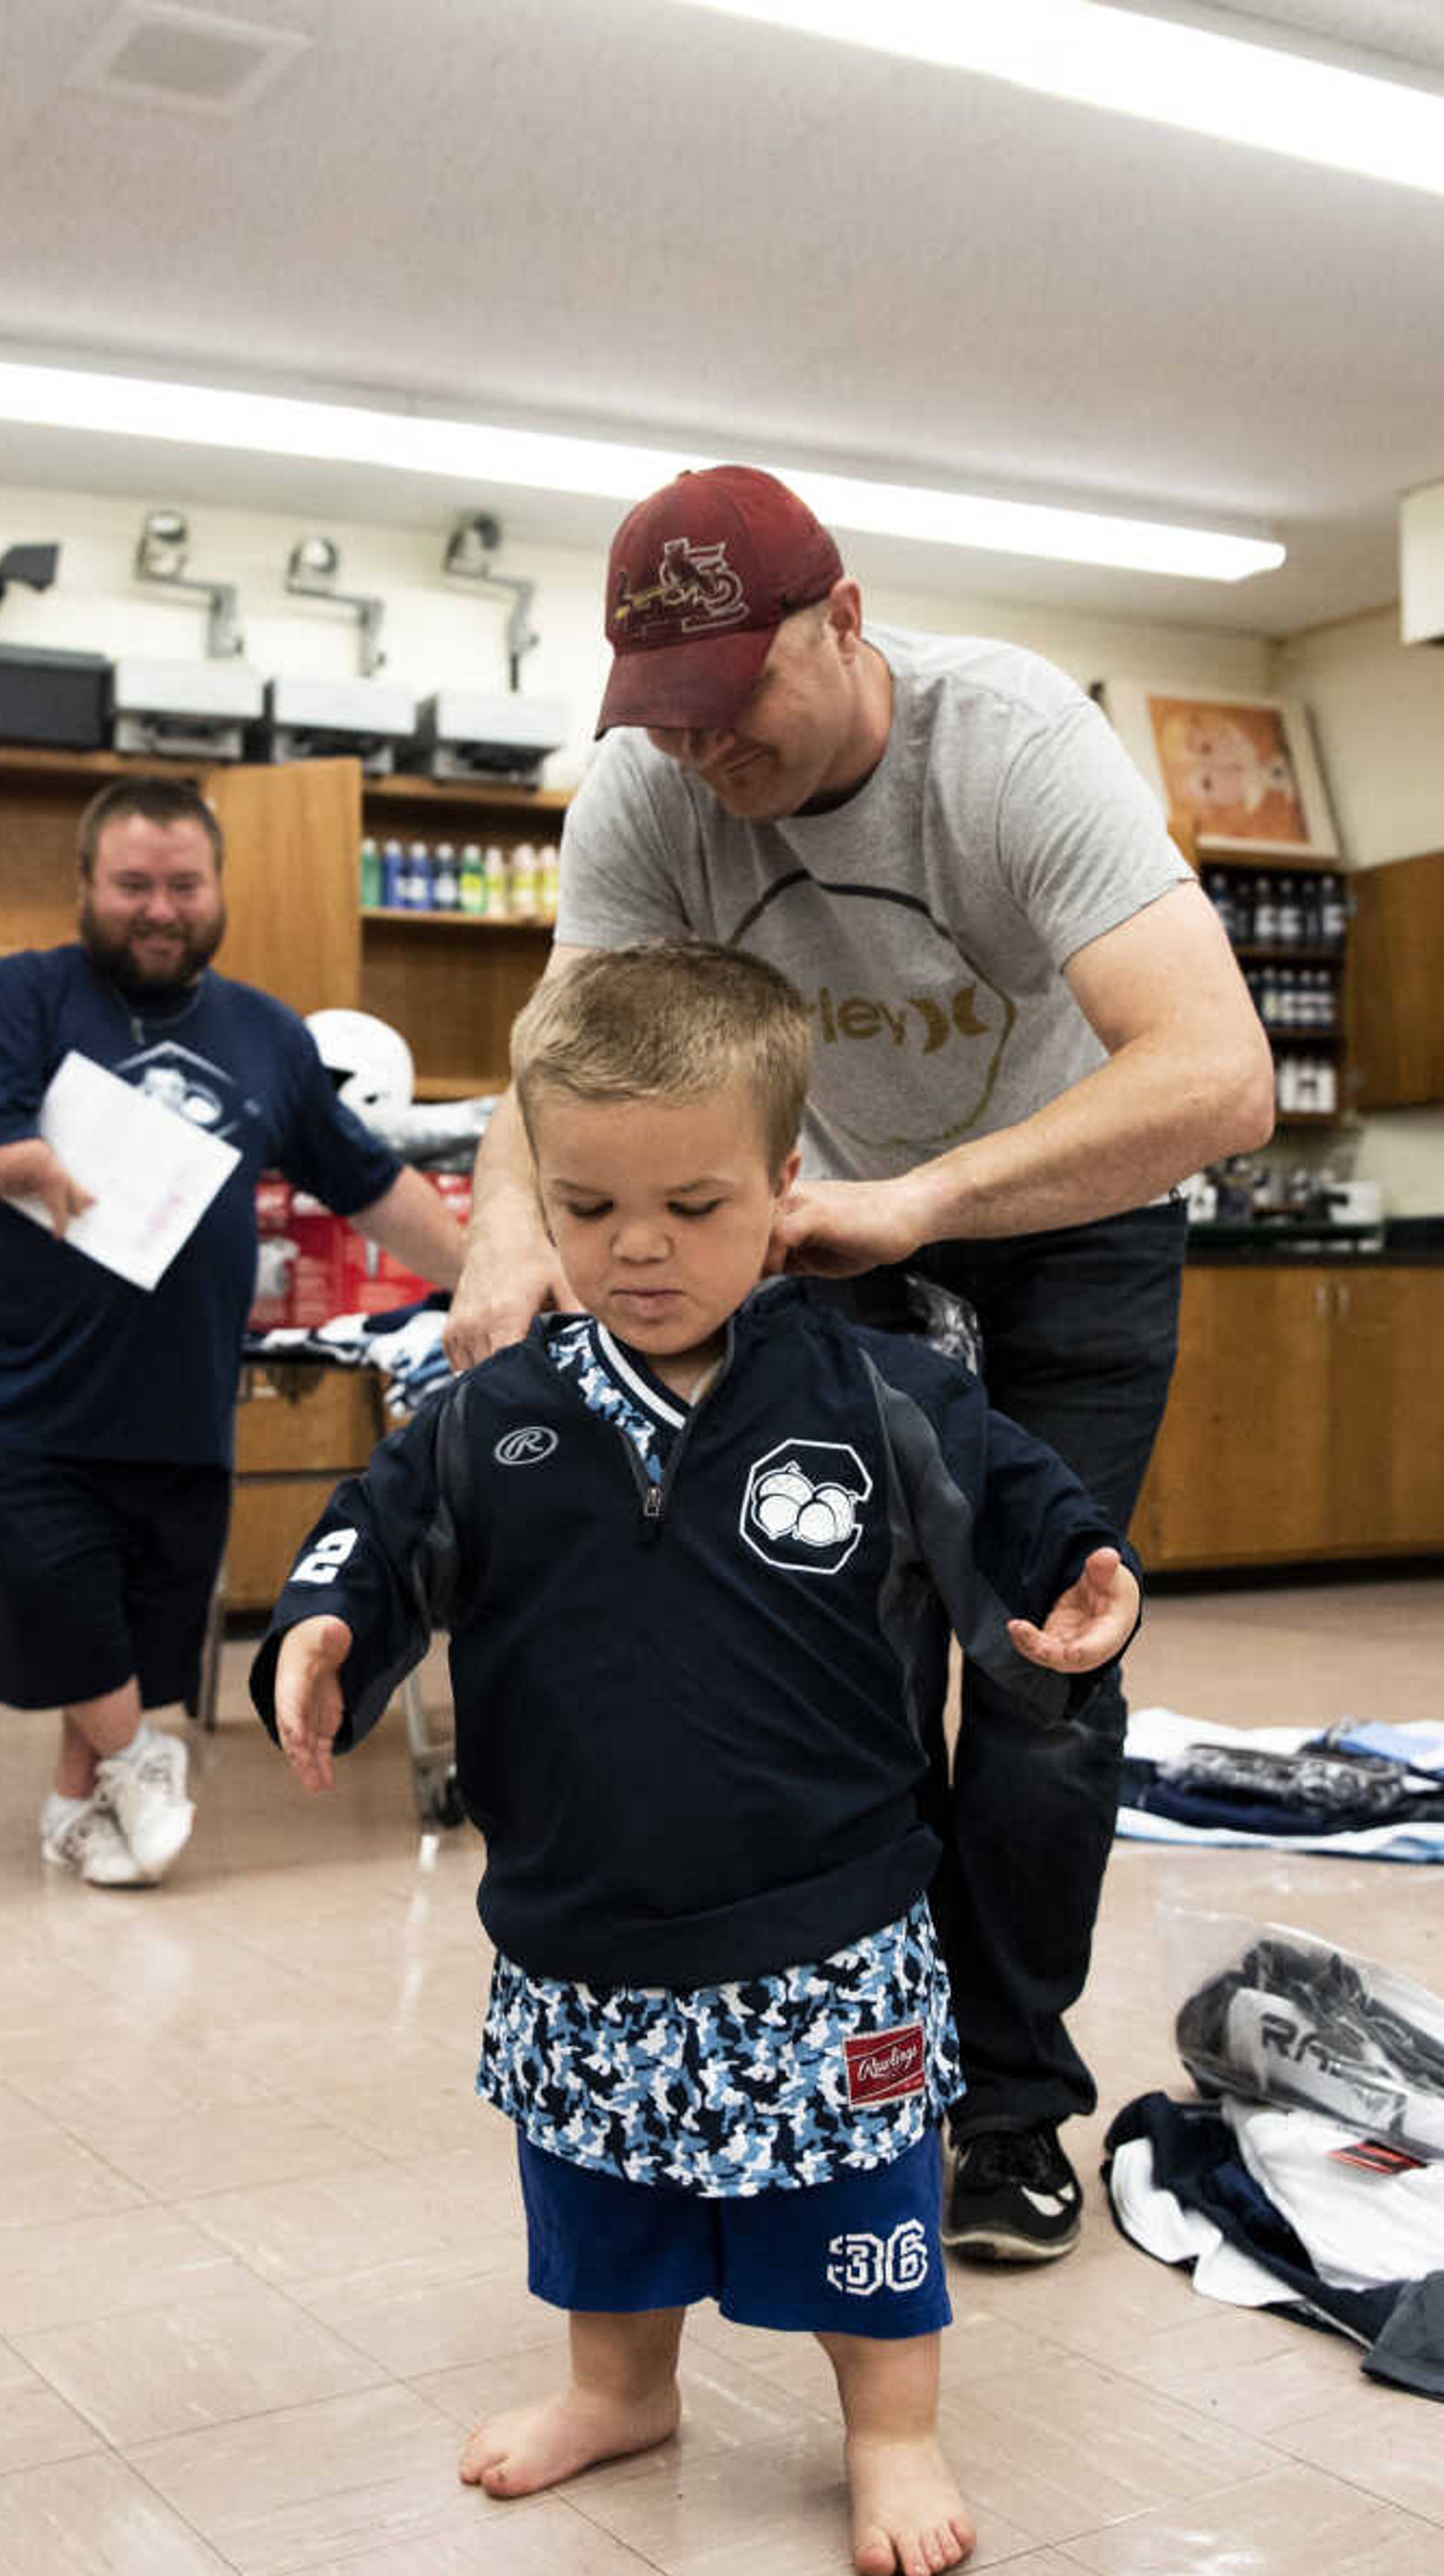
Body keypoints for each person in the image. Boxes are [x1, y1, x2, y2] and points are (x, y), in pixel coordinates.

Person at [447, 464, 1274, 2262]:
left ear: (844, 620)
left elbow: (1219, 1075)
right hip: (826, 1225)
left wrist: (930, 1204)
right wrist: (512, 1228)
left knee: (1042, 1661)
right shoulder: (649, 796)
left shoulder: (1011, 742)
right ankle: (861, 2057)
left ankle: (1014, 2101)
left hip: (1068, 1208)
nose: (702, 753)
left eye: (733, 699)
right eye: (662, 716)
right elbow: (557, 1060)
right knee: (840, 1641)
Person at [256, 942, 1142, 2576]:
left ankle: (890, 2431)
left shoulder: (883, 1397)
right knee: (598, 2180)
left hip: (835, 1915)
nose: (638, 1248)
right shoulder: (489, 1416)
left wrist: (1084, 1563)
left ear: (787, 1183)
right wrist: (323, 1633)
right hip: (584, 1914)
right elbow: (375, 1546)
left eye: (694, 1205)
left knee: (857, 2194)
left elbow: (1020, 1494)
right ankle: (620, 2391)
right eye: (587, 1209)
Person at [0, 775, 465, 1890]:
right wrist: (30, 1167)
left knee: (138, 1623)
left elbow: (370, 1186)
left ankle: (72, 1811)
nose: (160, 907)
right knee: (65, 1602)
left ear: (216, 888)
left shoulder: (267, 1037)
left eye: (183, 884)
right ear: (88, 886)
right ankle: (143, 1755)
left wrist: (488, 1281)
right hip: (33, 1396)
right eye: (133, 884)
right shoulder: (23, 996)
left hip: (184, 1402)